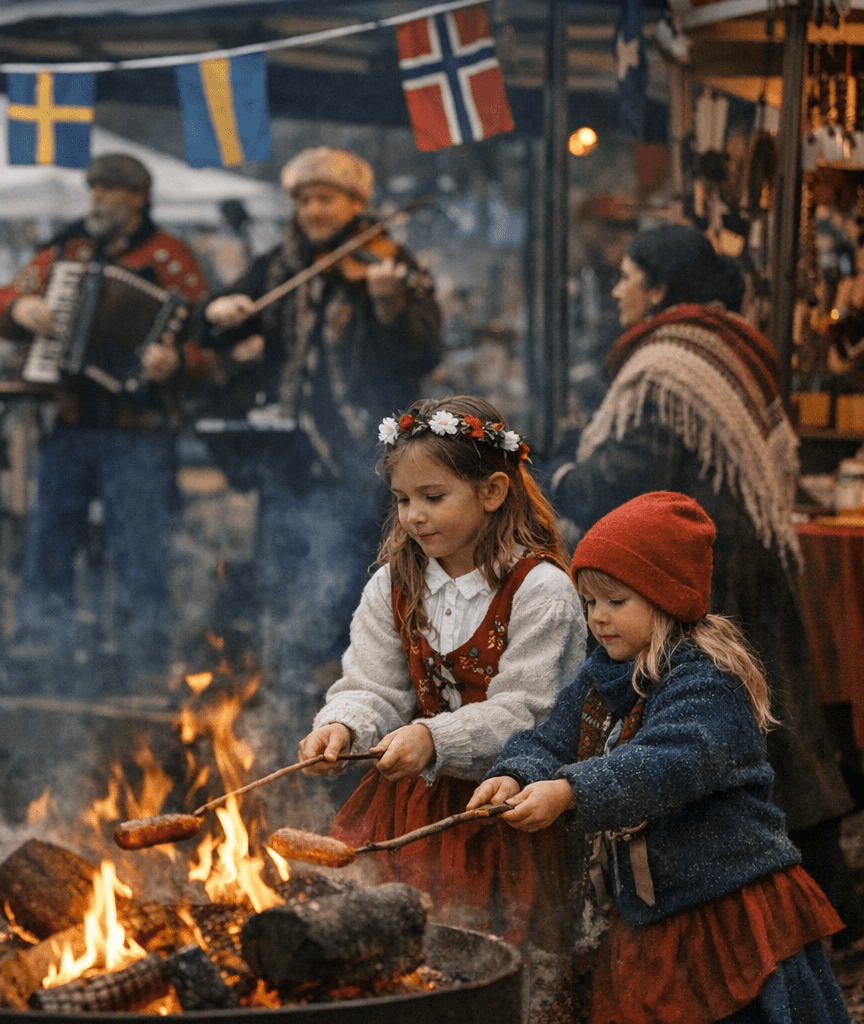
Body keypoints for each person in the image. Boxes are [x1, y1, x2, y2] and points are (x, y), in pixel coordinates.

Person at [551, 223, 863, 941]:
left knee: (721, 736)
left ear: (658, 286)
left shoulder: (665, 364)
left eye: (626, 273)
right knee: (775, 731)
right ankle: (823, 905)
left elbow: (620, 479)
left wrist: (565, 473)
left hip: (699, 578)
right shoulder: (726, 348)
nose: (615, 287)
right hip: (745, 563)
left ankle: (759, 912)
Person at [473, 492, 851, 1024]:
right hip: (653, 909)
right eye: (590, 603)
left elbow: (668, 763)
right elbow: (551, 739)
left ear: (667, 597)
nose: (598, 618)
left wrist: (570, 792)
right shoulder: (601, 673)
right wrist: (516, 774)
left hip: (723, 906)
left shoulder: (707, 680)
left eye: (617, 602)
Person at [296, 396, 585, 1020]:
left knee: (494, 958)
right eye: (402, 501)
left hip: (507, 809)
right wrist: (343, 725)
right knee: (400, 959)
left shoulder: (541, 591)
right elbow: (371, 685)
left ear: (493, 491)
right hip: (410, 805)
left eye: (433, 497)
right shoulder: (394, 583)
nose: (415, 517)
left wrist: (432, 738)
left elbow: (531, 713)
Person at [201, 146, 442, 690]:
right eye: (305, 200)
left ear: (355, 204)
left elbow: (424, 352)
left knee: (350, 569)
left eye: (326, 199)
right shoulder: (280, 265)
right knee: (282, 566)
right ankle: (286, 677)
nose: (313, 210)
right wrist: (219, 312)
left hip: (359, 452)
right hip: (288, 453)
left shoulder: (389, 263)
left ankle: (350, 682)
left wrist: (388, 311)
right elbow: (220, 323)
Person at [0, 153, 210, 684]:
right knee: (50, 542)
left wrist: (177, 362)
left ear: (139, 199)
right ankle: (50, 657)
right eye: (94, 189)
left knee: (138, 550)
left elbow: (210, 351)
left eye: (111, 191)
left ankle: (142, 666)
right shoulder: (66, 250)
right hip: (70, 424)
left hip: (140, 432)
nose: (98, 200)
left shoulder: (172, 259)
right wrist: (20, 311)